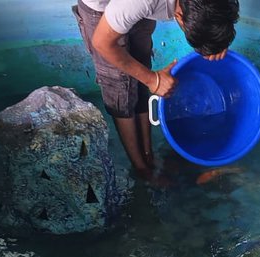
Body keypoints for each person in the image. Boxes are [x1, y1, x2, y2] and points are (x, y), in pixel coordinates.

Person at [73, 0, 239, 181]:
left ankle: (148, 154)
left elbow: (218, 11)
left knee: (141, 66)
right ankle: (142, 169)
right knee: (120, 85)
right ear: (179, 16)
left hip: (134, 7)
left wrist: (218, 37)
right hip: (101, 10)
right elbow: (102, 42)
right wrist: (153, 80)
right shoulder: (140, 2)